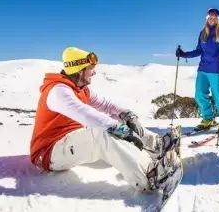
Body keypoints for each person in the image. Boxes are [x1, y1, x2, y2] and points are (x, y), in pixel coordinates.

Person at [30, 46, 181, 191]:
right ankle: (149, 176)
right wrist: (119, 129)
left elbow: (105, 105)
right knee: (103, 132)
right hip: (50, 152)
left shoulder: (81, 89)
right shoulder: (58, 91)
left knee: (119, 122)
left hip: (69, 142)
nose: (94, 73)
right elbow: (85, 114)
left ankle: (158, 146)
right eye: (91, 68)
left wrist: (126, 115)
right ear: (78, 70)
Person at [176, 8, 219, 132]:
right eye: (210, 16)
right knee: (199, 95)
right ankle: (208, 119)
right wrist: (184, 54)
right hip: (203, 69)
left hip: (217, 69)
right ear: (207, 18)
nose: (212, 18)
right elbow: (199, 50)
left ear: (217, 18)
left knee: (218, 98)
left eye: (215, 16)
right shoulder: (203, 32)